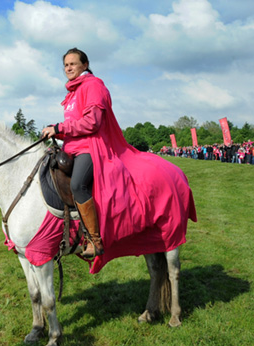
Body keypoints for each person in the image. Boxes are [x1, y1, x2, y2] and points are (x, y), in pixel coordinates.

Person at [42, 48, 197, 269]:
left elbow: (93, 122)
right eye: (65, 65)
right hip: (72, 147)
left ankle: (95, 240)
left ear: (85, 65)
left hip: (91, 147)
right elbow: (75, 124)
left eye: (73, 64)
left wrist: (60, 127)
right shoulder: (72, 93)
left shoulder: (93, 85)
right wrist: (56, 131)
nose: (68, 68)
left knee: (78, 185)